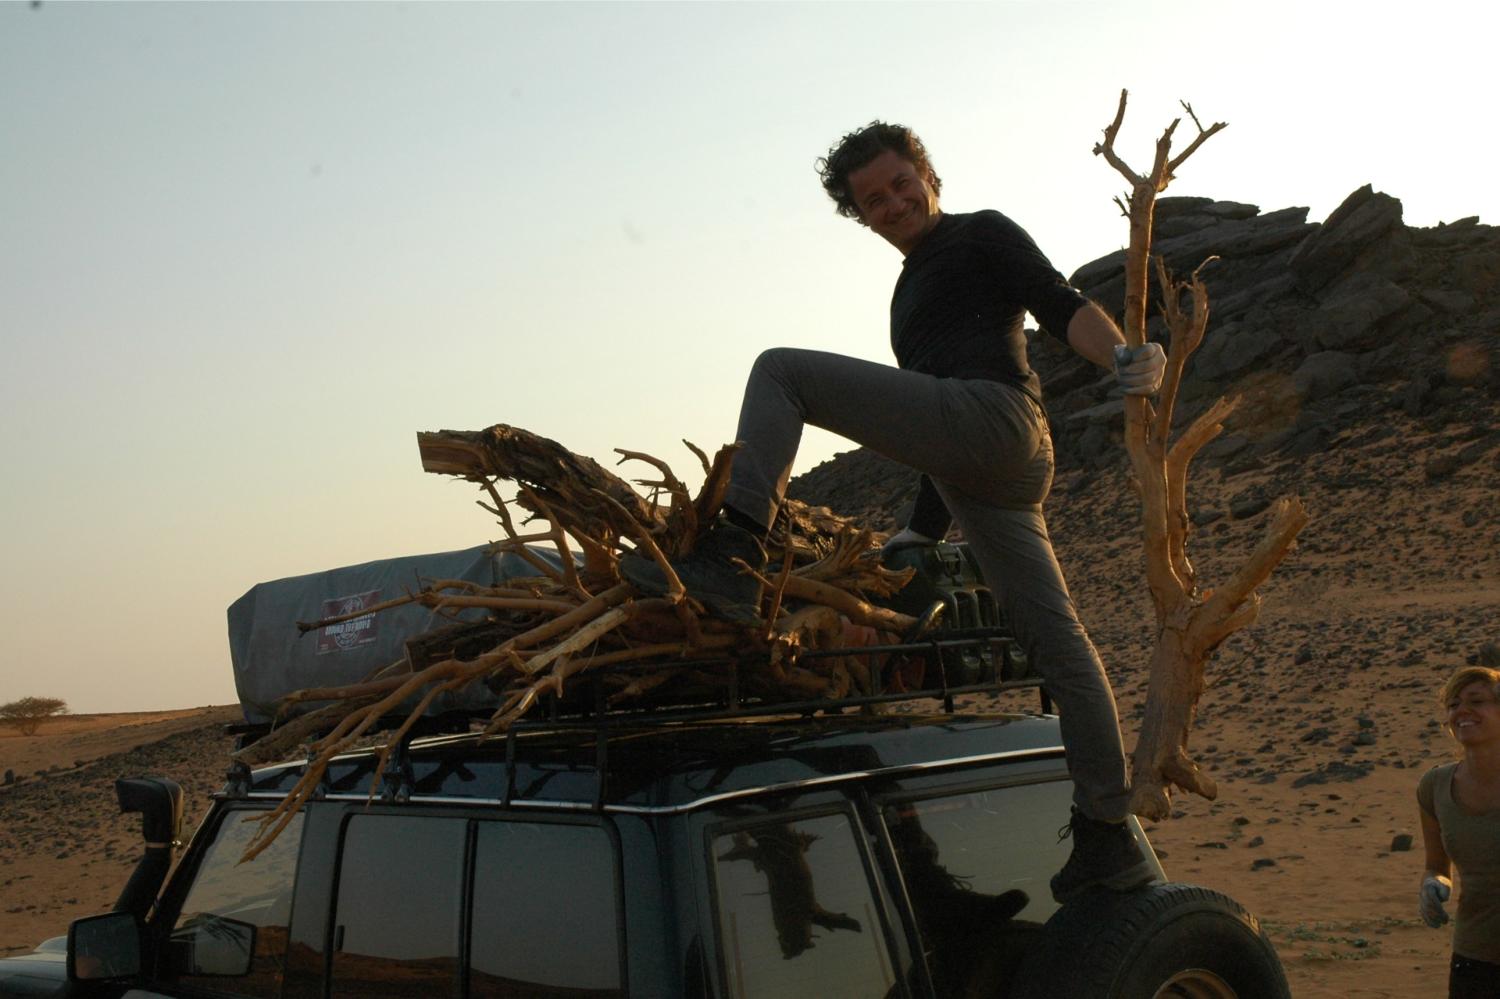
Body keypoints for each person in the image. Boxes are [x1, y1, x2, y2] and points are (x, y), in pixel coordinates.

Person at [622, 121, 1165, 902]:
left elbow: (1057, 302)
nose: (893, 203)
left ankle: (735, 552)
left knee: (780, 373)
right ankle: (1108, 832)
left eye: (901, 184)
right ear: (861, 215)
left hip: (999, 420)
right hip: (981, 471)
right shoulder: (906, 294)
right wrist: (920, 530)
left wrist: (1119, 355)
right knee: (1058, 641)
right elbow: (932, 424)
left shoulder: (980, 232)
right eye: (873, 199)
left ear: (928, 175)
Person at [1418, 665, 1500, 998]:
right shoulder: (1435, 786)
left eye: (1476, 701)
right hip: (1473, 957)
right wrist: (1433, 885)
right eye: (1453, 705)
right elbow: (1437, 865)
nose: (1461, 711)